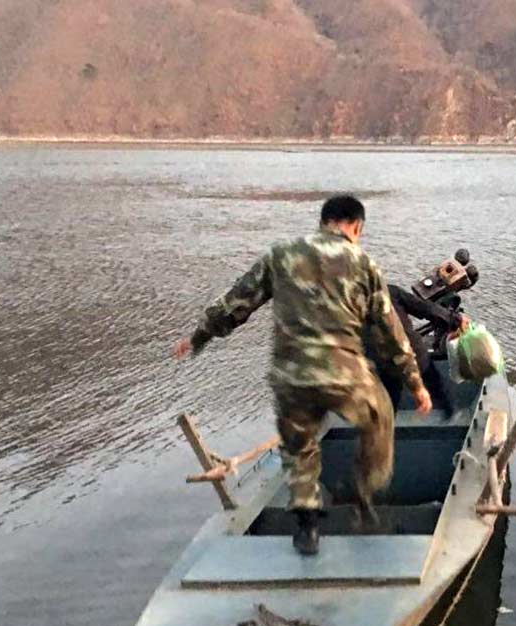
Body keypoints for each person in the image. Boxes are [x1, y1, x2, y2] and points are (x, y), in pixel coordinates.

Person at [173, 195, 432, 556]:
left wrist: (197, 338)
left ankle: (307, 527)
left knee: (300, 446)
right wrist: (417, 385)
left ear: (323, 221)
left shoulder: (280, 255)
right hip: (344, 376)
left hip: (291, 377)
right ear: (356, 227)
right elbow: (393, 335)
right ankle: (362, 497)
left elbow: (234, 305)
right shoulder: (363, 263)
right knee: (380, 417)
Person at [377, 283, 469, 413]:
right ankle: (449, 410)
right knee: (432, 379)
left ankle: (387, 421)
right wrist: (455, 320)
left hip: (383, 360)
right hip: (412, 351)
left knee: (390, 396)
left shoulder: (351, 304)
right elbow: (425, 308)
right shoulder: (391, 291)